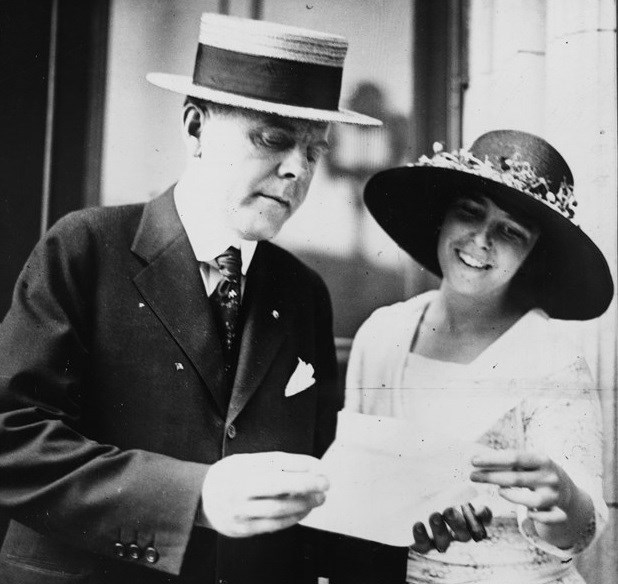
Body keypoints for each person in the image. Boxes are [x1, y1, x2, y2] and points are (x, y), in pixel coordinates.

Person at [0, 13, 386, 584]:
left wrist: (406, 535)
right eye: (273, 139)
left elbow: (318, 486)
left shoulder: (304, 293)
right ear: (195, 127)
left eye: (314, 151)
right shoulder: (84, 248)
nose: (296, 172)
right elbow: (12, 440)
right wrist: (196, 497)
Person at [346, 130, 613, 583]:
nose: (482, 239)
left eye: (511, 231)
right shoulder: (382, 333)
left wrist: (562, 496)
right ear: (442, 218)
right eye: (469, 212)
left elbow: (580, 529)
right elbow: (358, 482)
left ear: (532, 254)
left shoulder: (551, 360)